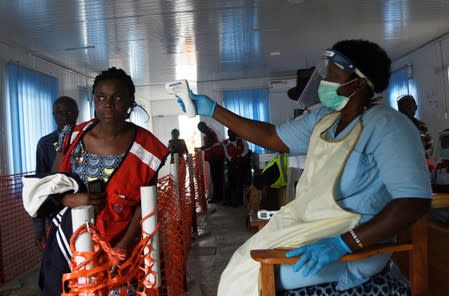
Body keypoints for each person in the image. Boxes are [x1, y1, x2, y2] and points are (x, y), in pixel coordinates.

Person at [177, 39, 431, 295]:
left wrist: (344, 243)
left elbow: (413, 201)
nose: (325, 80)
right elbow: (272, 137)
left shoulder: (389, 126)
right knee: (240, 269)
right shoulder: (325, 121)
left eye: (333, 73)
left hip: (354, 242)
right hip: (314, 227)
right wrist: (212, 110)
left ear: (359, 82)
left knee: (260, 278)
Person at [36, 67, 169, 295]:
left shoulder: (148, 148)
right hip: (71, 242)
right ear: (94, 101)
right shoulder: (73, 136)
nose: (108, 104)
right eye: (101, 97)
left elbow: (144, 205)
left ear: (130, 102)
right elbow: (52, 185)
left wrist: (123, 246)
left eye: (117, 97)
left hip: (118, 245)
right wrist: (71, 199)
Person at [33, 96, 79, 250]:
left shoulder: (88, 137)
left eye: (69, 112)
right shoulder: (45, 144)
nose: (65, 116)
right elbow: (40, 184)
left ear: (77, 113)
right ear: (53, 115)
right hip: (56, 211)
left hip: (85, 207)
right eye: (60, 112)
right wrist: (39, 227)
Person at [397, 95, 433, 159]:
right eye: (403, 107)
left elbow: (430, 146)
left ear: (416, 107)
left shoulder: (422, 126)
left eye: (409, 106)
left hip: (421, 163)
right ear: (399, 110)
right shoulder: (395, 126)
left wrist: (423, 156)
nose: (406, 110)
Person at [197, 121, 224, 203]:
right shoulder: (209, 131)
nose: (201, 131)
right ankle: (219, 197)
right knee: (217, 177)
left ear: (204, 126)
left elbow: (211, 143)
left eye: (201, 128)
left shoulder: (209, 132)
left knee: (216, 177)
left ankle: (217, 197)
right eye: (199, 129)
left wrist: (201, 148)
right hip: (215, 156)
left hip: (216, 156)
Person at [223, 129, 249, 206]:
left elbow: (246, 149)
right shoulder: (225, 143)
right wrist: (232, 159)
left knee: (240, 182)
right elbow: (226, 154)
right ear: (228, 135)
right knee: (231, 182)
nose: (232, 135)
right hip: (231, 164)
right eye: (230, 134)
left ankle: (239, 201)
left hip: (241, 163)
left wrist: (241, 157)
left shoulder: (241, 140)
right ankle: (228, 200)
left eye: (233, 133)